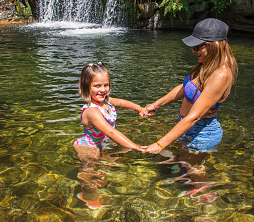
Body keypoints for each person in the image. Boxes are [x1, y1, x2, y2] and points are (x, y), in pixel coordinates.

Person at [142, 17, 238, 158]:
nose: (194, 51)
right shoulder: (206, 65)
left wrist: (160, 144)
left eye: (198, 46)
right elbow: (185, 87)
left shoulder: (221, 75)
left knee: (194, 175)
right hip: (186, 126)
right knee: (184, 169)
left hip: (202, 133)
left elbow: (194, 116)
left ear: (214, 45)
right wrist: (156, 105)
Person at [73, 61, 147, 209]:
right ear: (87, 87)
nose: (102, 90)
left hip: (104, 143)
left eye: (105, 85)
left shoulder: (106, 102)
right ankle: (87, 193)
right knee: (90, 171)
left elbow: (121, 102)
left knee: (106, 167)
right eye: (97, 86)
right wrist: (137, 147)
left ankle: (98, 185)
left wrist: (139, 108)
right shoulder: (92, 111)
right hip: (89, 146)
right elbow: (111, 132)